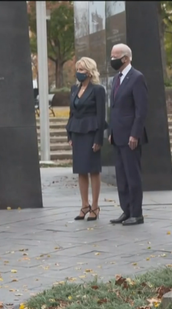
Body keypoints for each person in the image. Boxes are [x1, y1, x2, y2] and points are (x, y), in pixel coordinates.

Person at [108, 43, 148, 226]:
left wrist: (135, 134)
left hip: (130, 136)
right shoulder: (116, 79)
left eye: (115, 56)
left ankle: (137, 213)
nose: (112, 59)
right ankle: (126, 210)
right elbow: (114, 108)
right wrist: (110, 131)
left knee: (132, 175)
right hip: (117, 135)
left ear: (125, 58)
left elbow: (141, 110)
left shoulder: (137, 78)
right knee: (121, 176)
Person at [66, 57, 106, 221]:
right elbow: (71, 113)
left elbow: (100, 115)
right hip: (77, 132)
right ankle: (84, 205)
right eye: (78, 69)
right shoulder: (74, 89)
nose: (78, 72)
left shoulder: (98, 90)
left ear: (89, 72)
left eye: (82, 70)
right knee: (80, 170)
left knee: (93, 170)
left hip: (91, 132)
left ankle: (95, 207)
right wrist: (69, 134)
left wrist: (98, 139)